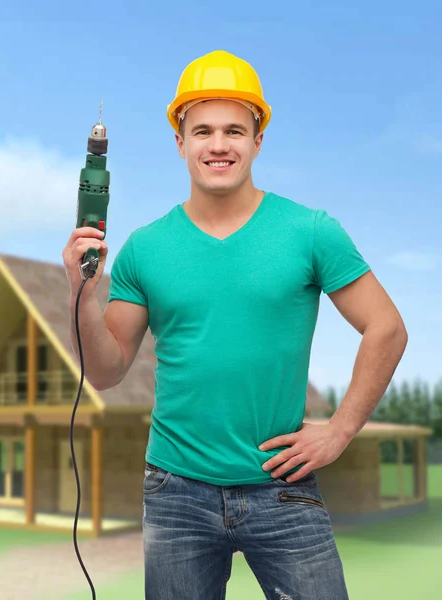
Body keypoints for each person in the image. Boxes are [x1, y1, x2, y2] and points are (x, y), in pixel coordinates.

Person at [63, 49, 408, 600]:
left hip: (283, 488)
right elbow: (105, 372)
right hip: (175, 492)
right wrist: (81, 293)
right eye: (202, 131)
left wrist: (340, 430)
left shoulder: (310, 231)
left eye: (233, 130)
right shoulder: (145, 248)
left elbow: (387, 328)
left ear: (258, 139)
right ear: (180, 142)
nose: (218, 145)